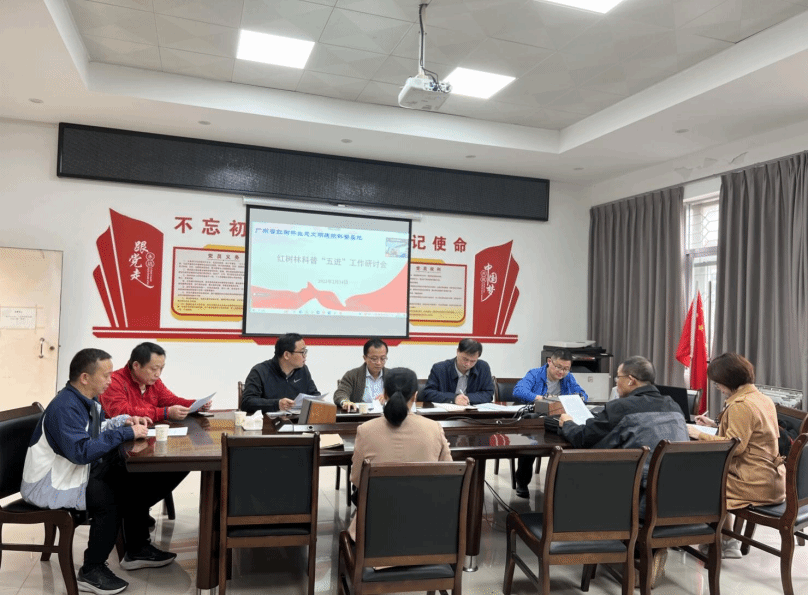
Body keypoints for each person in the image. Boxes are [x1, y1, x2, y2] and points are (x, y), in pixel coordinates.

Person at [21, 349, 181, 595]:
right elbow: (81, 451)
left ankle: (136, 549)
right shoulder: (65, 407)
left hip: (71, 472)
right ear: (85, 378)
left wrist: (123, 421)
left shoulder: (89, 399)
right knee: (110, 492)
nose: (110, 379)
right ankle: (91, 570)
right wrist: (125, 433)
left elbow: (95, 430)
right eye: (105, 375)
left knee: (130, 478)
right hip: (48, 484)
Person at [558, 355, 688, 589]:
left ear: (630, 380)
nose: (615, 383)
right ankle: (649, 549)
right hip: (677, 497)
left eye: (617, 378)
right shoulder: (673, 404)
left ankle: (612, 548)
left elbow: (584, 440)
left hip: (639, 500)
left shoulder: (621, 407)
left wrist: (567, 423)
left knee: (580, 475)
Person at [689, 353, 786, 559]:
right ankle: (726, 540)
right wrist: (715, 425)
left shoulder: (741, 405)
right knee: (711, 478)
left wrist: (698, 434)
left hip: (754, 482)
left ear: (728, 381)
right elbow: (750, 434)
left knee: (701, 482)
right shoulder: (762, 398)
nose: (718, 388)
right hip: (772, 478)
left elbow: (735, 447)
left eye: (718, 383)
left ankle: (718, 540)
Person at [348, 367, 452, 538]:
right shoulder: (434, 428)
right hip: (427, 531)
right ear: (415, 396)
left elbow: (357, 478)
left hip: (374, 533)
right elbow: (448, 475)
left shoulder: (365, 430)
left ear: (384, 393)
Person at [512, 349, 588, 498]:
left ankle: (565, 484)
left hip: (559, 419)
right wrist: (543, 399)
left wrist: (579, 397)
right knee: (531, 441)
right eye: (558, 367)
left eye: (566, 369)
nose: (562, 372)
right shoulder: (535, 374)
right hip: (538, 419)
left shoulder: (568, 377)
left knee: (576, 437)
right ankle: (522, 481)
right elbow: (518, 391)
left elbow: (583, 394)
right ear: (549, 362)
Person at [100, 342, 210, 422]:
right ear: (136, 365)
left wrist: (195, 405)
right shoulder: (113, 381)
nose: (158, 374)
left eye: (161, 368)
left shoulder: (154, 381)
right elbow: (120, 413)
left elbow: (170, 400)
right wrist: (165, 413)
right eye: (154, 369)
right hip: (120, 440)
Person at [241, 333, 319, 414]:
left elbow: (314, 395)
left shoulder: (303, 370)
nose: (305, 356)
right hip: (268, 421)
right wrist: (277, 404)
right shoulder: (260, 371)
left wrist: (320, 401)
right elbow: (247, 403)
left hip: (296, 420)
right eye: (302, 352)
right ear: (286, 355)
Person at [421, 339, 494, 406]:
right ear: (457, 351)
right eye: (465, 359)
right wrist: (454, 398)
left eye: (473, 361)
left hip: (472, 412)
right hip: (445, 413)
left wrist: (467, 398)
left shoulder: (483, 368)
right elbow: (428, 393)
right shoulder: (439, 368)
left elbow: (489, 394)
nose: (468, 364)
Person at [333, 338, 390, 411]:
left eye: (383, 358)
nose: (379, 363)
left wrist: (390, 397)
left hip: (386, 416)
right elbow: (340, 393)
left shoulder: (392, 376)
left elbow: (401, 396)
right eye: (374, 359)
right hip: (360, 416)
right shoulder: (352, 375)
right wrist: (345, 402)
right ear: (365, 358)